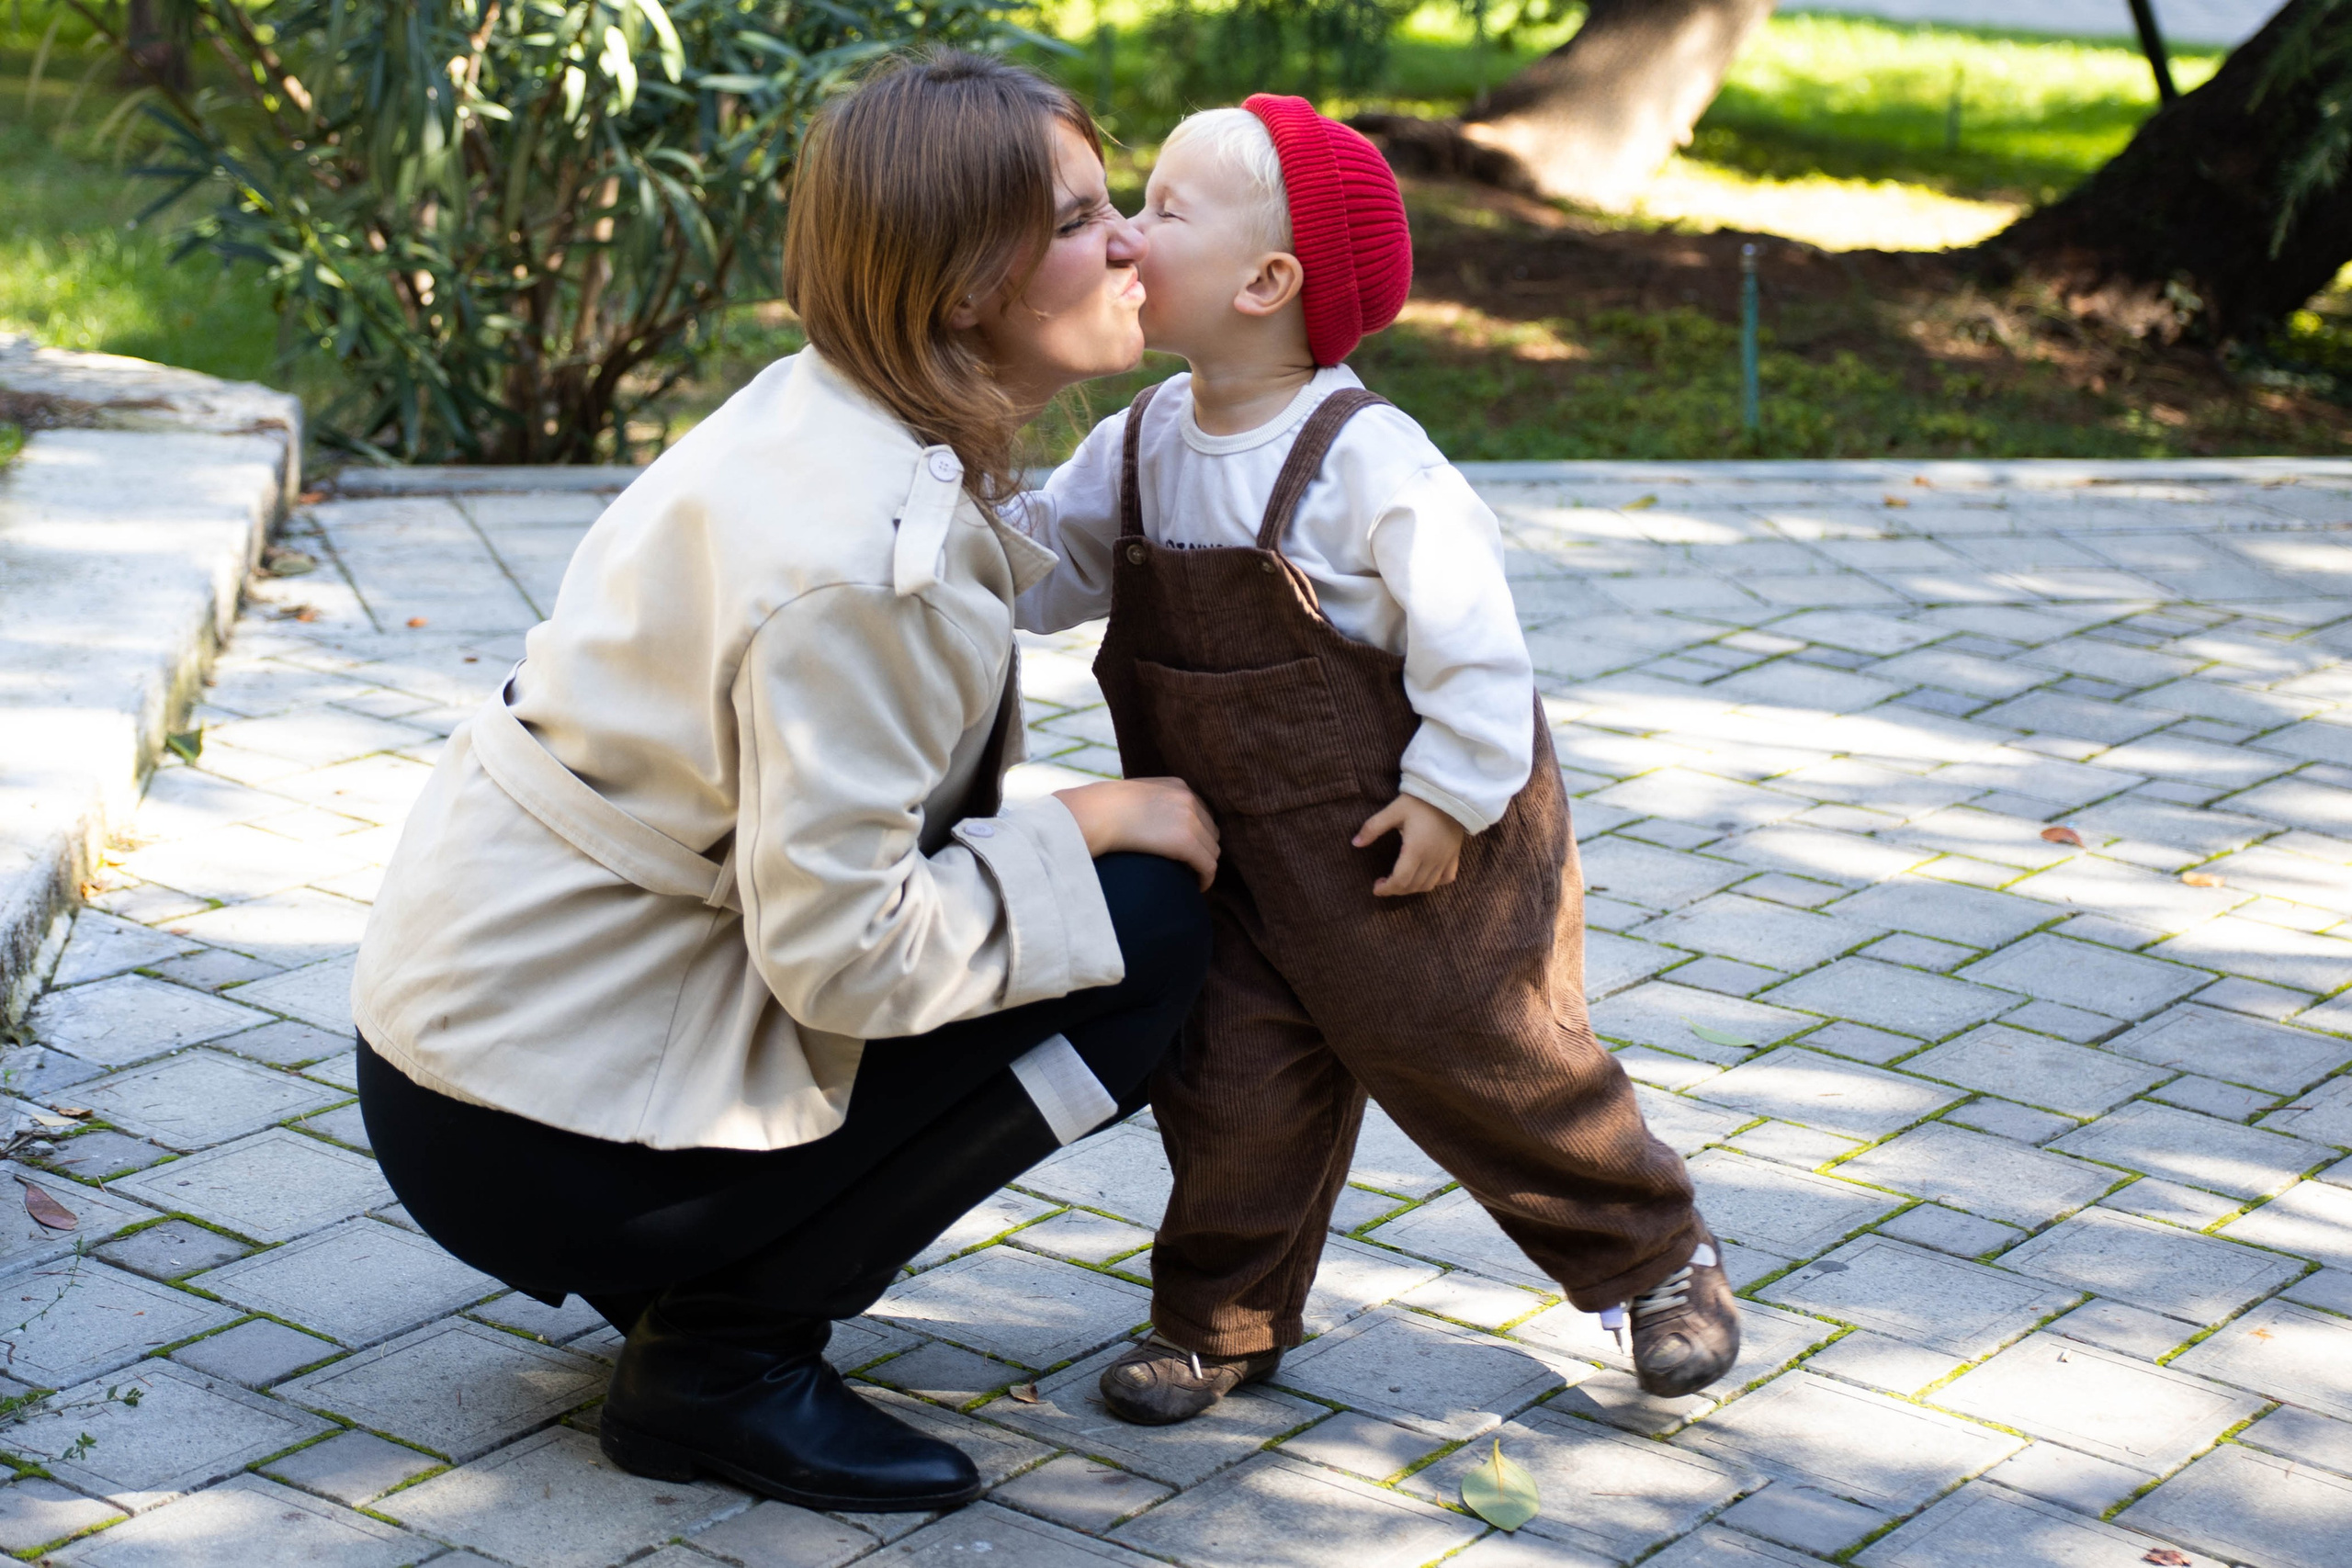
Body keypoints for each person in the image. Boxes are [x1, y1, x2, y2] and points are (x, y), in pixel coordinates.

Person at [349, 53, 1222, 1515]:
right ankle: (724, 1359)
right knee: (1146, 926)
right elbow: (847, 958)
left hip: (471, 1073)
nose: (1132, 240)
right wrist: (1084, 823)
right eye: (1082, 221)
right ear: (964, 286)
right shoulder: (866, 568)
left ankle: (693, 1281)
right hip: (536, 1136)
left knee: (1096, 903)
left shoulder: (821, 411)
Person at [1014, 97, 1737, 1426]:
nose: (1121, 232)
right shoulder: (1139, 442)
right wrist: (942, 536)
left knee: (1498, 1065)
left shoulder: (1365, 458)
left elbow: (1476, 645)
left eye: (1161, 209)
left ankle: (1655, 1258)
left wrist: (1450, 796)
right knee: (1227, 1087)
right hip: (1237, 861)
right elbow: (1043, 568)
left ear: (1264, 282)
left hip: (1411, 855)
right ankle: (1220, 1320)